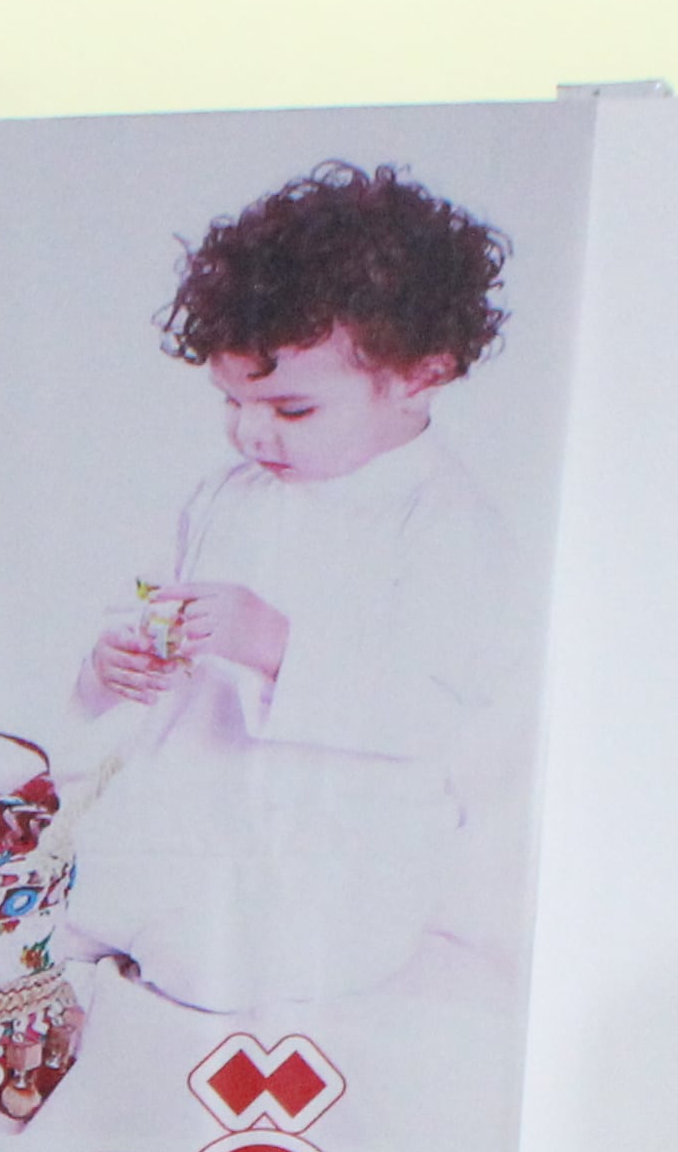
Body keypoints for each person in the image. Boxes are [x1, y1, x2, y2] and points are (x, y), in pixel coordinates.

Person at [61, 162, 518, 1012]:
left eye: (290, 409)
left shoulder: (444, 521)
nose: (249, 434)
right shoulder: (229, 494)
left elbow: (440, 714)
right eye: (232, 403)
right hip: (199, 800)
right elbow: (168, 636)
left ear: (421, 374)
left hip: (339, 839)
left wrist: (277, 647)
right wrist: (120, 661)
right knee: (68, 896)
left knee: (219, 964)